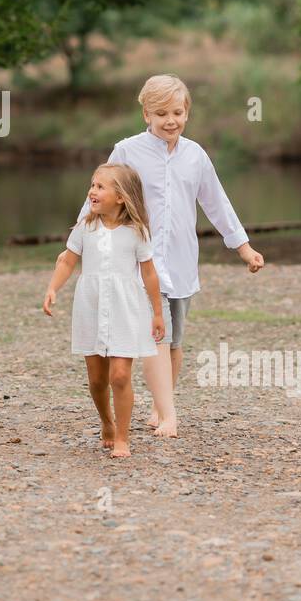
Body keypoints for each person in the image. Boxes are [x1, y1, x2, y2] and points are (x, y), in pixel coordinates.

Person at [63, 74, 264, 437]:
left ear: (187, 112)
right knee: (157, 336)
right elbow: (102, 191)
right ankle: (170, 415)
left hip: (182, 262)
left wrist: (243, 247)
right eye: (161, 114)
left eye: (177, 112)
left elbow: (217, 203)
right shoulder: (127, 151)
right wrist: (79, 234)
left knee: (175, 342)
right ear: (146, 115)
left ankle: (161, 402)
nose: (170, 120)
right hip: (140, 264)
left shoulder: (195, 155)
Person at [43, 164, 164, 458]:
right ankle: (106, 421)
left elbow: (149, 274)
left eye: (100, 187)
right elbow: (67, 262)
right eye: (92, 185)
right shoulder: (86, 228)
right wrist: (53, 288)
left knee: (120, 376)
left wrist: (157, 312)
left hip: (125, 309)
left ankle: (123, 436)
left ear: (121, 197)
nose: (92, 191)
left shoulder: (137, 232)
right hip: (91, 307)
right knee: (97, 380)